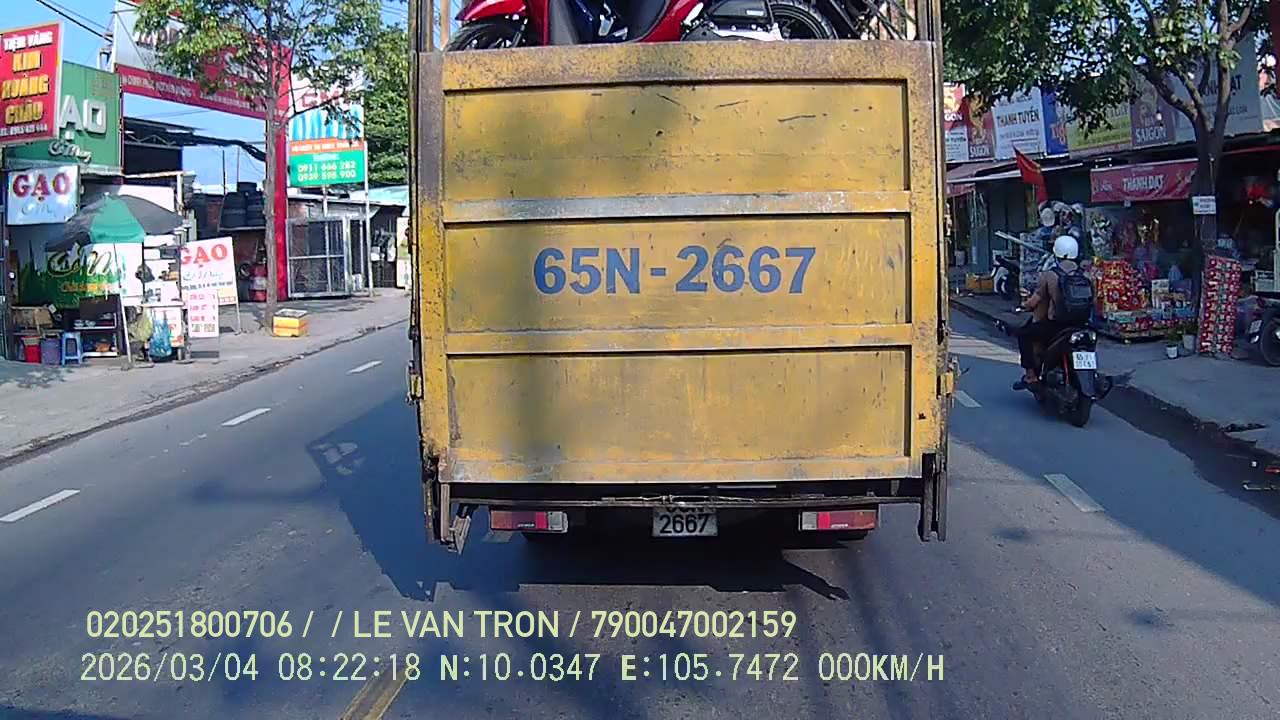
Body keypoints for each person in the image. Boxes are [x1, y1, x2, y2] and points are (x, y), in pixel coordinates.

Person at [1013, 235, 1088, 389]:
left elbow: (1036, 299)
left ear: (1056, 253)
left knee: (1023, 334)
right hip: (1082, 325)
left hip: (1056, 325)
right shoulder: (1085, 274)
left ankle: (1030, 376)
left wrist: (1024, 305)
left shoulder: (1049, 275)